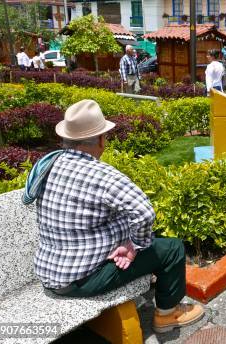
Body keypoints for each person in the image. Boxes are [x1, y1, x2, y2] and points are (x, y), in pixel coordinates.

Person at [31, 99, 204, 333]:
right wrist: (134, 246)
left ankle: (154, 280)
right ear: (101, 140)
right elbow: (144, 213)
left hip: (51, 270)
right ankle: (167, 314)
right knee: (172, 248)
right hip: (81, 279)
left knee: (153, 238)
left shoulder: (49, 164)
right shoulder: (101, 174)